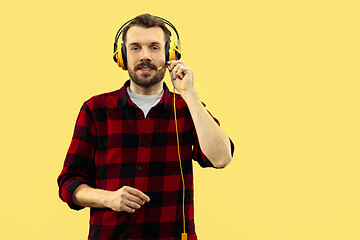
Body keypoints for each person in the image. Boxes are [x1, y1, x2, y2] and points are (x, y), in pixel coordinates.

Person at [57, 13, 234, 240]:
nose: (145, 56)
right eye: (135, 48)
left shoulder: (188, 108)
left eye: (154, 47)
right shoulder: (95, 109)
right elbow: (69, 183)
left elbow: (221, 158)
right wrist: (108, 198)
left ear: (170, 54)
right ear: (122, 56)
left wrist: (190, 94)